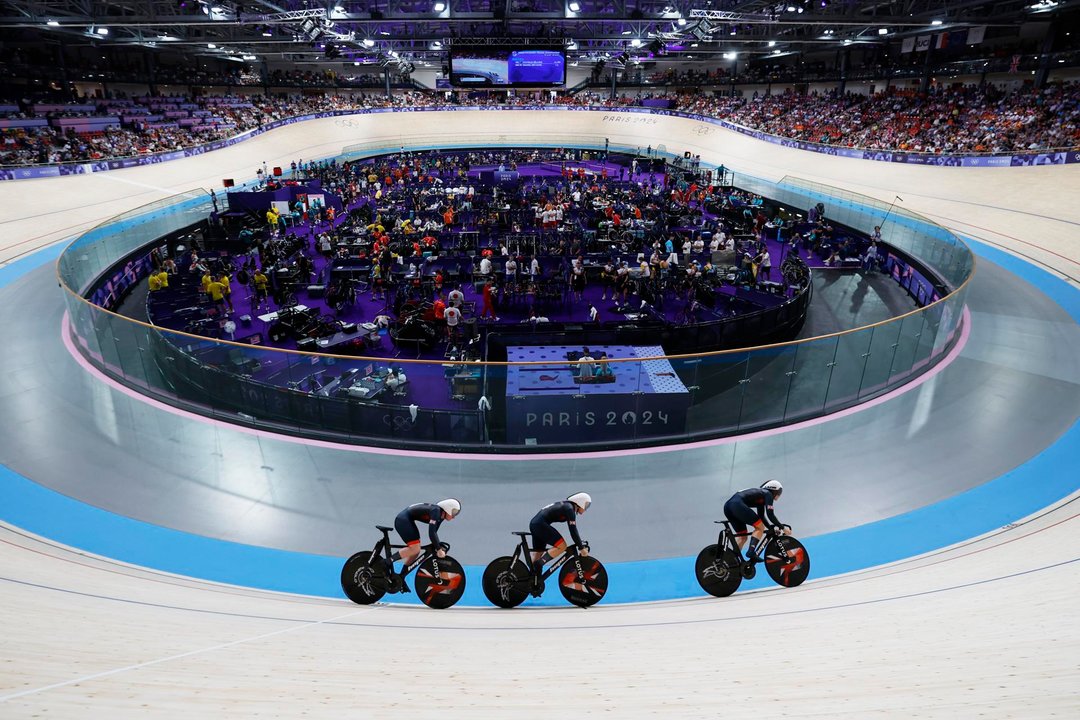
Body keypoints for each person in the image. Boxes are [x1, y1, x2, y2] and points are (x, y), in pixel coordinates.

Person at [389, 499, 461, 588]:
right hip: (403, 520)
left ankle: (401, 576)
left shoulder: (441, 515)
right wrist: (438, 549)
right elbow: (431, 533)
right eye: (454, 512)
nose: (454, 516)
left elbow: (434, 533)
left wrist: (437, 545)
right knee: (415, 548)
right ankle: (387, 561)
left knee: (416, 552)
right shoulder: (436, 512)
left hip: (407, 519)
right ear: (448, 509)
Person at [529, 493, 591, 585]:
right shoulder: (569, 509)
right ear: (580, 502)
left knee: (538, 553)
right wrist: (581, 548)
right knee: (562, 546)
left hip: (536, 524)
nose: (586, 509)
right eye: (586, 505)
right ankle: (539, 564)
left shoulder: (567, 506)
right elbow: (573, 531)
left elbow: (573, 531)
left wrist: (579, 544)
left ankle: (531, 581)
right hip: (540, 525)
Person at [723, 480, 788, 563]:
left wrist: (770, 528)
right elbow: (770, 515)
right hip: (737, 505)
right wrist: (783, 528)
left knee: (742, 537)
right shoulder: (768, 494)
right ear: (773, 490)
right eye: (779, 492)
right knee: (760, 527)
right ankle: (751, 552)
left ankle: (731, 561)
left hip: (728, 506)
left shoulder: (761, 496)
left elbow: (761, 516)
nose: (779, 495)